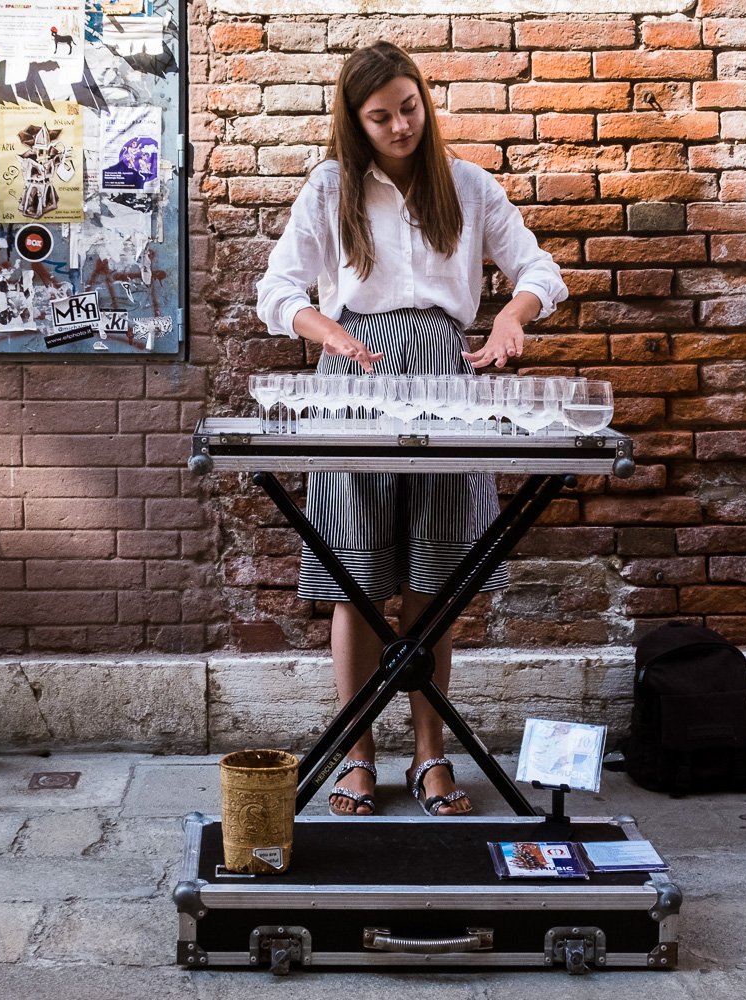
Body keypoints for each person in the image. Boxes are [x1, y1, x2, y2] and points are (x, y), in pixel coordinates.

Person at [255, 41, 568, 817]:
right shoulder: (330, 188)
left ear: (424, 101)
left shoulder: (468, 185)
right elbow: (278, 289)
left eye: (409, 107)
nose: (400, 125)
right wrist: (326, 331)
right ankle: (357, 757)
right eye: (380, 116)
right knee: (355, 577)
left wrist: (510, 321)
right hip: (354, 372)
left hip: (444, 370)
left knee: (436, 579)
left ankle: (431, 758)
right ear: (354, 123)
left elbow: (540, 272)